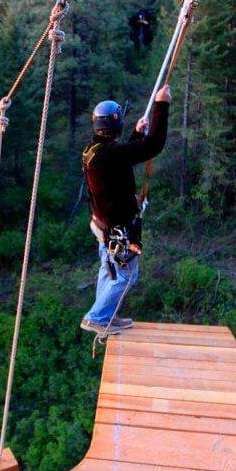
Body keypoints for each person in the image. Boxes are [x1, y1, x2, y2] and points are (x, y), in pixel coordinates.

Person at [79, 85, 171, 335]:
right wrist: (161, 105)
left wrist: (135, 135)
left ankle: (106, 315)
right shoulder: (110, 153)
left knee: (108, 271)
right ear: (114, 126)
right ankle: (97, 317)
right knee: (126, 275)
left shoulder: (93, 150)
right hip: (117, 229)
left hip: (103, 225)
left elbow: (120, 160)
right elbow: (153, 146)